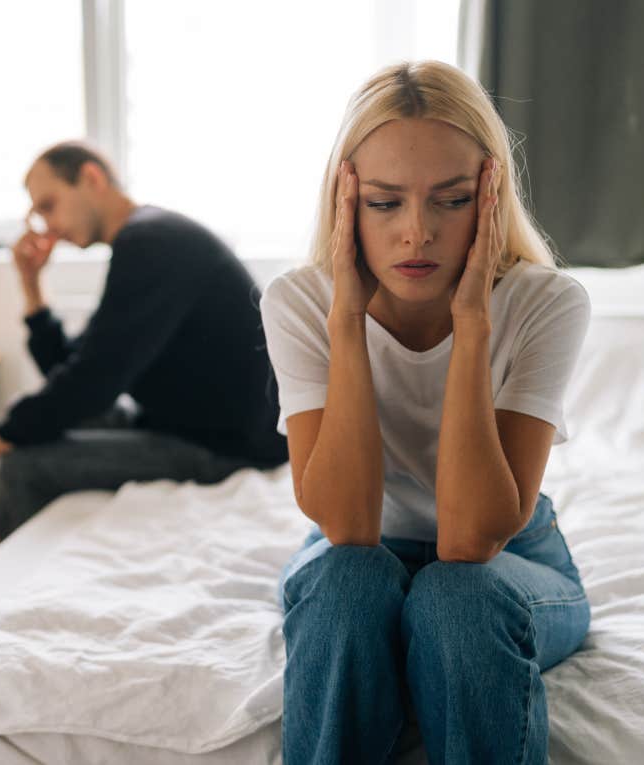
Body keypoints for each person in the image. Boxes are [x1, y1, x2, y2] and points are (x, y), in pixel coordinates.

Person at [261, 61, 592, 764]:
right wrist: (345, 318)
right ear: (344, 201)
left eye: (450, 201)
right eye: (384, 204)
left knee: (457, 601)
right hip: (356, 551)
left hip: (512, 555)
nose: (418, 233)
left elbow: (471, 541)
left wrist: (472, 324)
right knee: (345, 584)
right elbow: (347, 526)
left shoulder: (546, 304)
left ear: (490, 197)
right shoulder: (298, 303)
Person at [0, 140, 289, 609]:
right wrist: (31, 285)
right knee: (34, 428)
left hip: (226, 447)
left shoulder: (153, 242)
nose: (47, 225)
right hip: (181, 423)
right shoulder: (147, 238)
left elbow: (89, 384)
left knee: (24, 462)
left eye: (48, 205)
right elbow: (76, 368)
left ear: (92, 179)